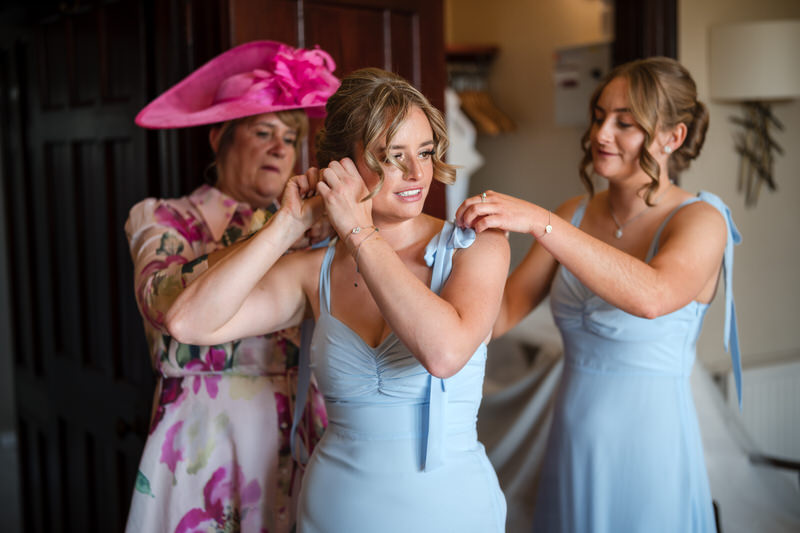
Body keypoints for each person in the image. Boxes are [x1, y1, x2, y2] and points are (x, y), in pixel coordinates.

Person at [165, 67, 510, 532]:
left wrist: (360, 231)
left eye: (425, 152)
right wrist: (289, 224)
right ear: (342, 165)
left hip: (452, 511)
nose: (417, 173)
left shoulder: (477, 246)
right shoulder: (316, 270)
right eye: (393, 156)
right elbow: (187, 322)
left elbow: (443, 353)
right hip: (334, 510)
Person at [456, 56, 742, 532]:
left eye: (624, 123)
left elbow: (653, 296)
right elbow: (499, 314)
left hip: (651, 443)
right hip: (573, 437)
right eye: (598, 116)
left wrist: (541, 222)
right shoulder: (574, 212)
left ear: (673, 137)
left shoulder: (701, 220)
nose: (600, 134)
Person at [123, 41, 339, 533]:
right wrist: (278, 230)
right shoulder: (165, 218)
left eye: (290, 137)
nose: (281, 147)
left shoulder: (319, 228)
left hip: (305, 434)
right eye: (263, 132)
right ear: (219, 137)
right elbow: (164, 305)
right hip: (206, 439)